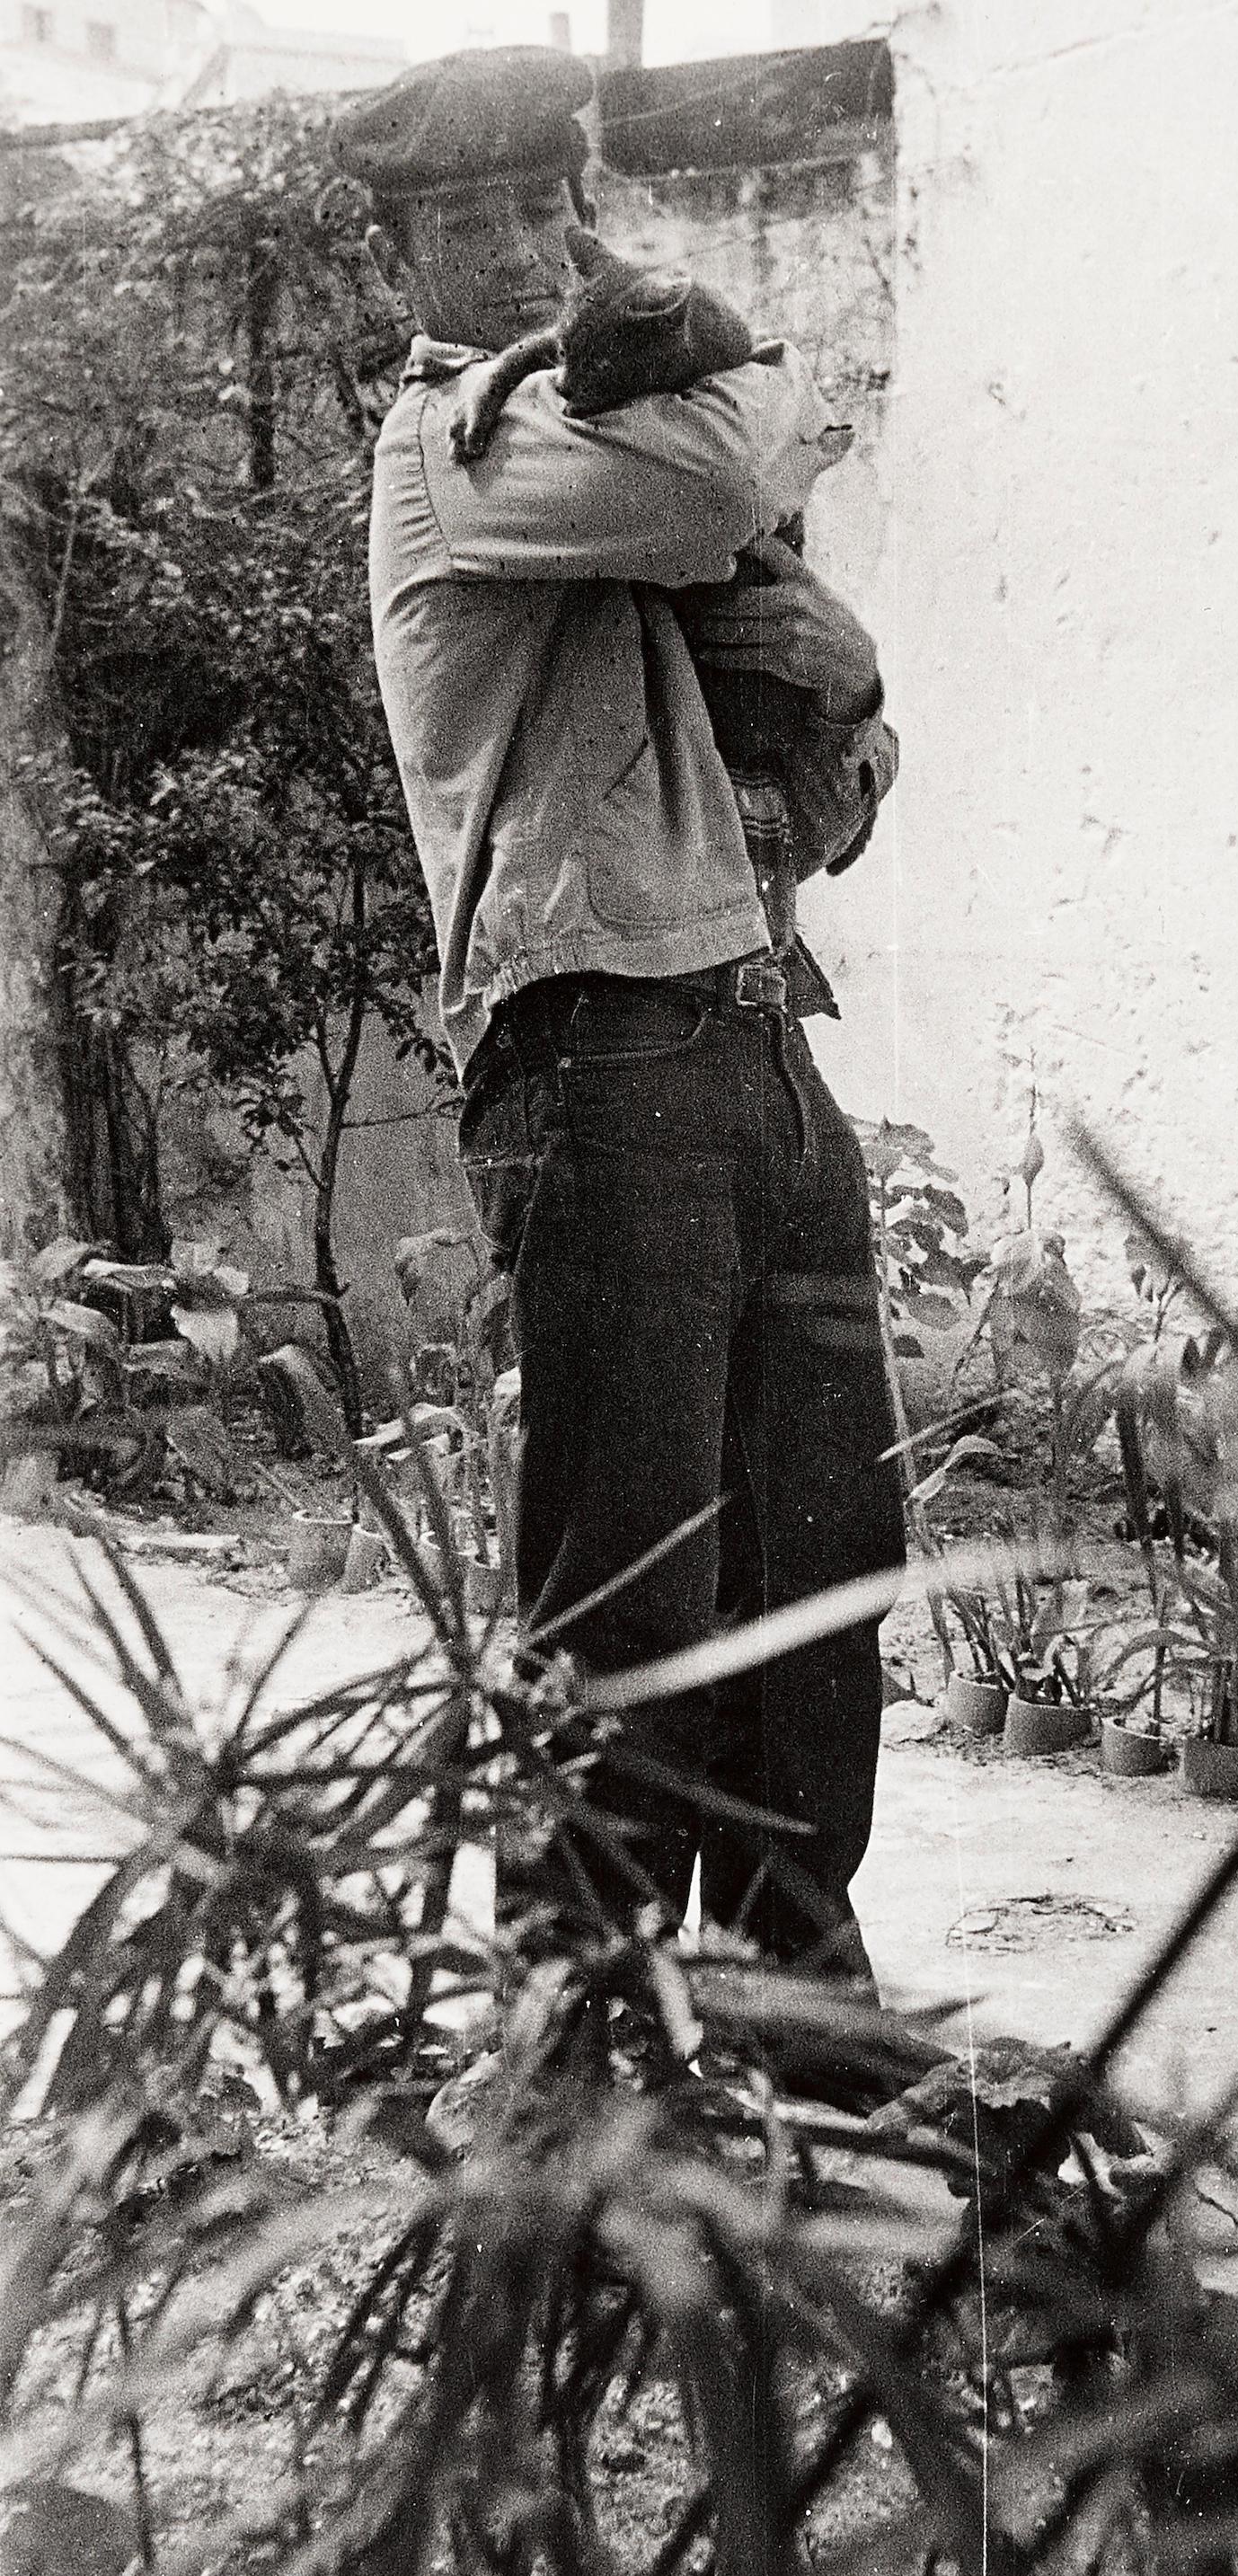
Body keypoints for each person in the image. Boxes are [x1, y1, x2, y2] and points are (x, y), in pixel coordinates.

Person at [329, 49, 906, 1984]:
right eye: (461, 220)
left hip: (756, 1035)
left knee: (822, 1562)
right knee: (627, 1590)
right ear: (399, 253)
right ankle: (578, 2043)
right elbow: (743, 469)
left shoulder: (610, 425)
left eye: (538, 203)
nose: (511, 252)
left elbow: (805, 776)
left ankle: (794, 2006)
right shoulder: (456, 445)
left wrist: (846, 705)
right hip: (596, 1054)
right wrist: (773, 400)